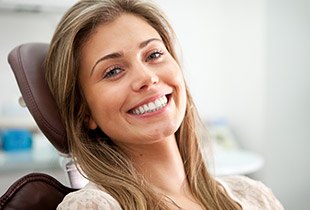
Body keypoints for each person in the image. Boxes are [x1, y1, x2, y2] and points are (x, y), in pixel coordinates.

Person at [45, 0, 284, 209]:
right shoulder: (94, 206)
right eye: (114, 71)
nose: (147, 78)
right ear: (84, 111)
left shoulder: (253, 195)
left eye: (154, 55)